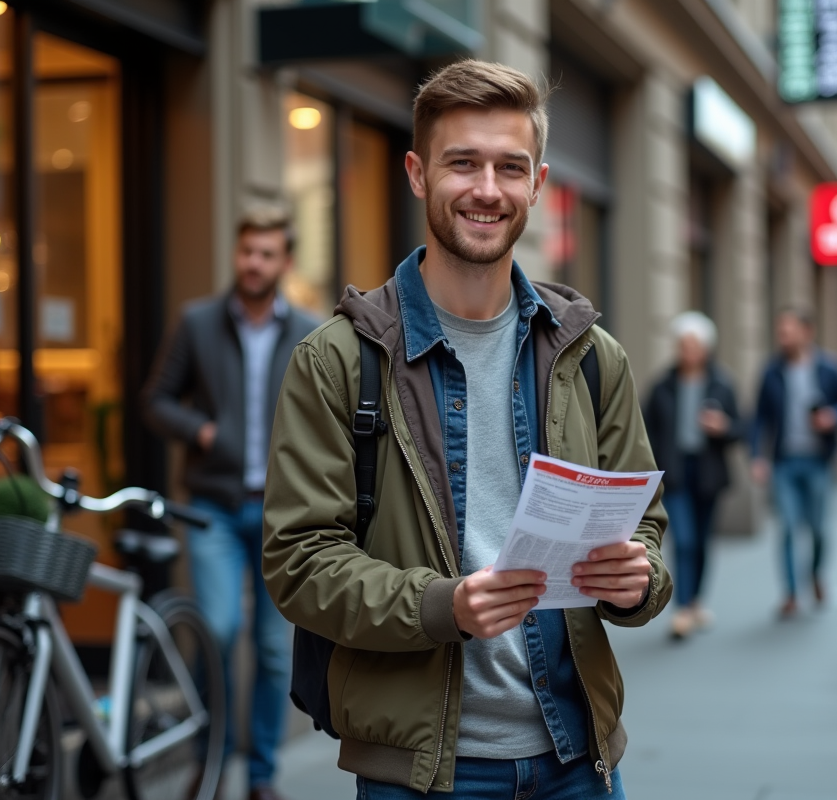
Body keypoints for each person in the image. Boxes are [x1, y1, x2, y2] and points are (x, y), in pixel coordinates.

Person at [261, 60, 670, 799]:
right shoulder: (337, 360)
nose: (487, 189)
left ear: (537, 184)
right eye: (463, 163)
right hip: (421, 774)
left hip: (578, 758)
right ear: (418, 174)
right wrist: (439, 606)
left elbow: (647, 528)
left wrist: (637, 580)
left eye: (510, 167)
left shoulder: (592, 356)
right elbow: (299, 562)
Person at [142, 207, 320, 800]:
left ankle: (262, 775)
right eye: (247, 251)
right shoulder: (197, 323)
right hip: (214, 507)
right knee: (216, 630)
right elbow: (157, 400)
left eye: (267, 254)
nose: (254, 263)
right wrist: (201, 431)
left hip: (281, 516)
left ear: (285, 263)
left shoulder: (311, 332)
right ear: (236, 254)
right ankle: (210, 758)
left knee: (273, 650)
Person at [750, 308, 837, 618]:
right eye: (780, 330)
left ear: (807, 332)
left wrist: (834, 416)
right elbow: (758, 418)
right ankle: (791, 593)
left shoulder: (829, 368)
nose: (783, 336)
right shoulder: (771, 371)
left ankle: (815, 573)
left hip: (818, 461)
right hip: (784, 462)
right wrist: (757, 456)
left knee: (819, 529)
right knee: (786, 526)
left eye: (789, 330)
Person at [644, 311, 741, 639]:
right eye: (682, 344)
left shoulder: (722, 383)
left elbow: (741, 427)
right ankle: (683, 607)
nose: (687, 351)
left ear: (706, 348)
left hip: (708, 471)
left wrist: (723, 426)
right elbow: (646, 431)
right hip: (675, 472)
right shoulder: (662, 386)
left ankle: (696, 600)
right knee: (683, 540)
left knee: (701, 542)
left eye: (693, 345)